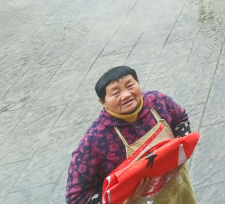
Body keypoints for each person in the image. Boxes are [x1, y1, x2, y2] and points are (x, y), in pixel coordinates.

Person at [66, 66, 197, 204]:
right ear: (103, 102)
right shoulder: (94, 141)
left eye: (130, 86)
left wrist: (180, 154)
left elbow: (181, 119)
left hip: (179, 189)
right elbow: (76, 198)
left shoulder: (157, 101)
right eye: (116, 93)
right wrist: (124, 198)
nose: (126, 95)